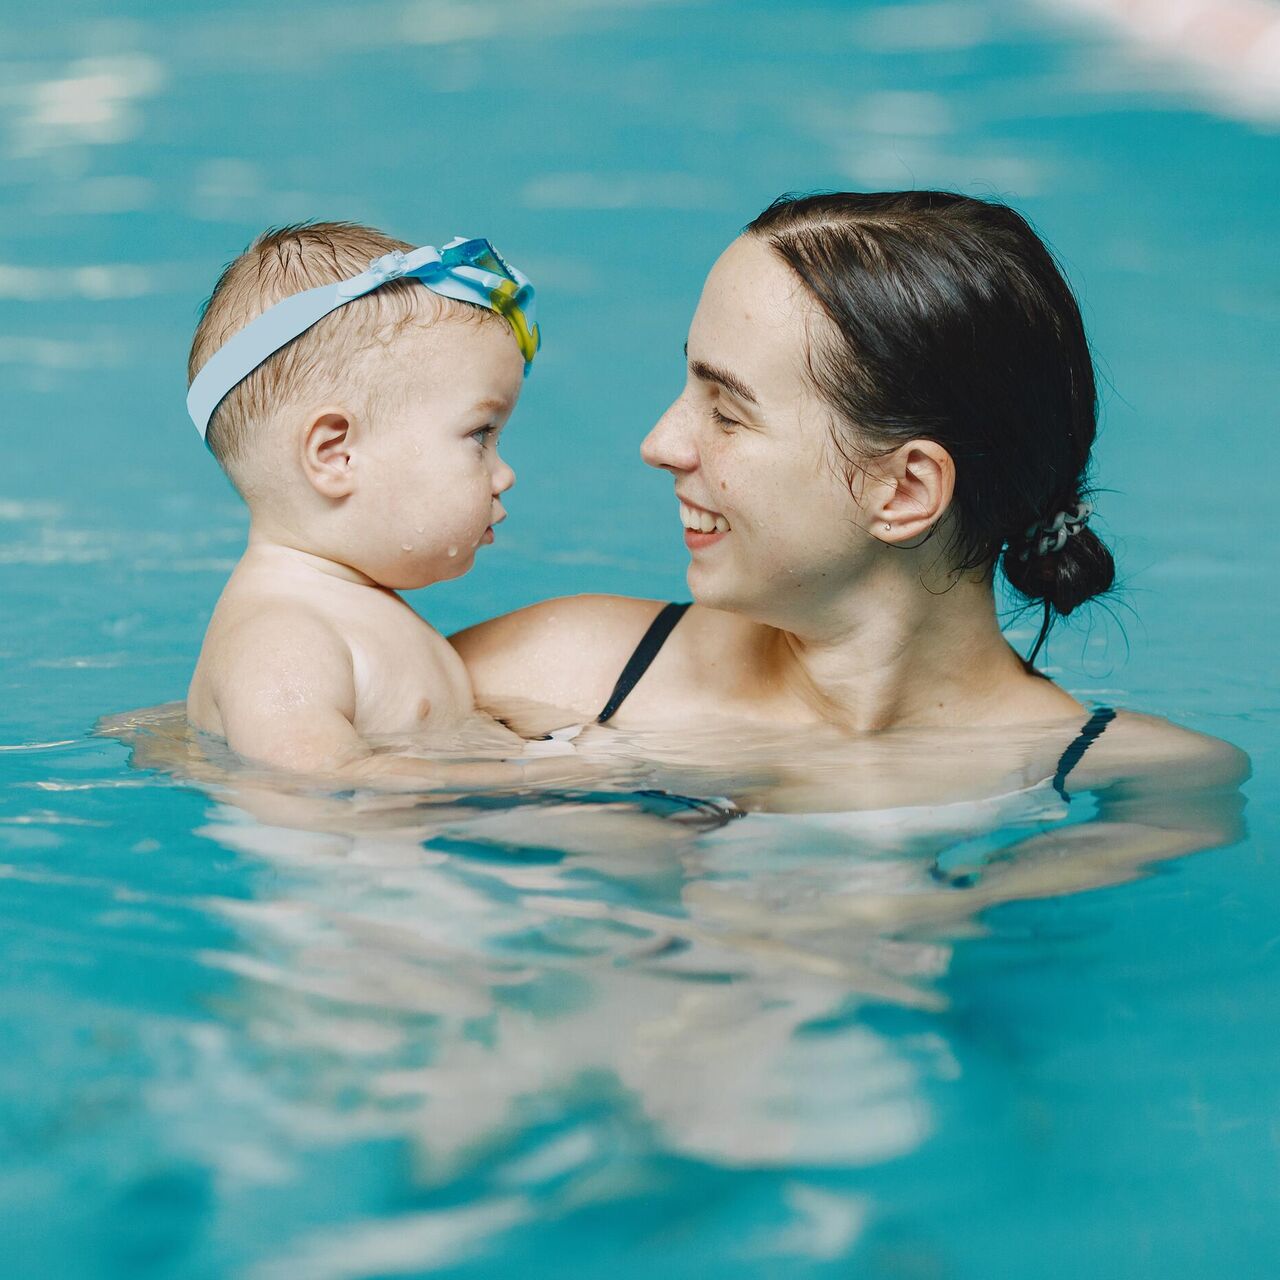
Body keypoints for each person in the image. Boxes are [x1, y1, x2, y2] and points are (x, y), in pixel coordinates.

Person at [453, 191, 1248, 815]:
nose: (661, 442)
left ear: (903, 491)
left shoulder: (1145, 787)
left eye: (727, 412)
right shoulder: (560, 670)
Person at [183, 221, 565, 783]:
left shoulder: (347, 608)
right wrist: (542, 777)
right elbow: (315, 784)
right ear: (336, 454)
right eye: (480, 434)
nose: (504, 474)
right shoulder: (282, 636)